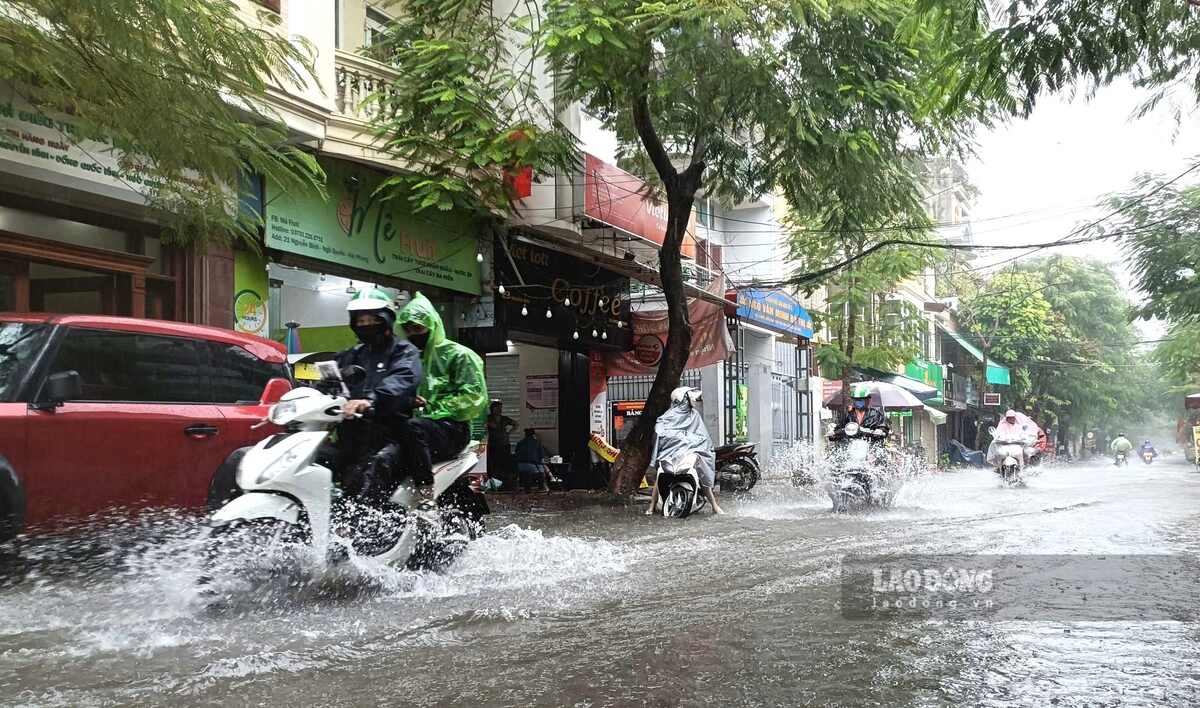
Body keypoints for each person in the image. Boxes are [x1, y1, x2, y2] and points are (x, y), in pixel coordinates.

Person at [330, 288, 423, 502]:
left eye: (372, 320)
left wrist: (371, 399)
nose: (366, 326)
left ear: (386, 320)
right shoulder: (350, 355)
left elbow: (403, 378)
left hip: (389, 434)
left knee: (377, 466)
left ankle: (368, 525)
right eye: (360, 321)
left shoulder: (404, 352)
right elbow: (329, 384)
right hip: (350, 436)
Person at [393, 292, 489, 487]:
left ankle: (425, 490)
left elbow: (473, 397)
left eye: (418, 328)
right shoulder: (408, 360)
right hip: (417, 426)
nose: (413, 334)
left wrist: (432, 407)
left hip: (451, 429)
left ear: (431, 325)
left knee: (413, 429)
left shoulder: (459, 356)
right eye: (408, 330)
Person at [646, 387, 724, 515]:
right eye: (688, 397)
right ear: (682, 399)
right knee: (660, 472)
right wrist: (678, 437)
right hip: (670, 453)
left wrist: (693, 441)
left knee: (701, 471)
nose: (691, 401)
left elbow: (702, 435)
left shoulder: (694, 415)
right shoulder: (668, 416)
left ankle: (714, 505)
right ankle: (651, 506)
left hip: (691, 452)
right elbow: (659, 430)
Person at [486, 400, 517, 488]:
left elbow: (516, 424)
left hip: (504, 444)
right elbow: (482, 426)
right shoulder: (488, 418)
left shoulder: (504, 418)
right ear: (492, 409)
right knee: (494, 464)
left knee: (505, 464)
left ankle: (505, 483)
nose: (499, 410)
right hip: (493, 445)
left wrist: (509, 433)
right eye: (497, 408)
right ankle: (494, 483)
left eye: (500, 408)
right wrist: (488, 424)